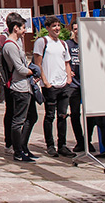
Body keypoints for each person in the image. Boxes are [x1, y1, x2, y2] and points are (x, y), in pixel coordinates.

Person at [33, 16, 75, 158]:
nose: (57, 28)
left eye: (58, 25)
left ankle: (62, 145)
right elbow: (38, 63)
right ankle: (50, 145)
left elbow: (67, 62)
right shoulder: (42, 42)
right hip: (49, 85)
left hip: (63, 84)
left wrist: (68, 78)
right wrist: (45, 82)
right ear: (48, 28)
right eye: (54, 26)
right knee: (50, 115)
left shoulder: (63, 44)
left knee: (63, 115)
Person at [2, 12, 38, 162]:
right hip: (19, 87)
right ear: (15, 28)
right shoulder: (10, 45)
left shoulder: (18, 43)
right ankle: (18, 151)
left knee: (32, 117)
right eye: (23, 28)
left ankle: (23, 146)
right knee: (18, 120)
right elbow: (20, 68)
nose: (25, 31)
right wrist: (33, 71)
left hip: (25, 86)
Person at [65, 21, 93, 152]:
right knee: (75, 114)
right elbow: (63, 60)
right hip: (73, 84)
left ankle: (88, 141)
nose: (77, 31)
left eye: (79, 29)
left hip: (88, 83)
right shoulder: (68, 45)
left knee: (91, 114)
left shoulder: (88, 43)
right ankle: (80, 141)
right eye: (75, 29)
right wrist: (67, 71)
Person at [0, 23, 14, 154]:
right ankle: (9, 142)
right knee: (10, 110)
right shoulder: (3, 38)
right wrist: (3, 72)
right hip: (8, 80)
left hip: (18, 81)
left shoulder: (18, 40)